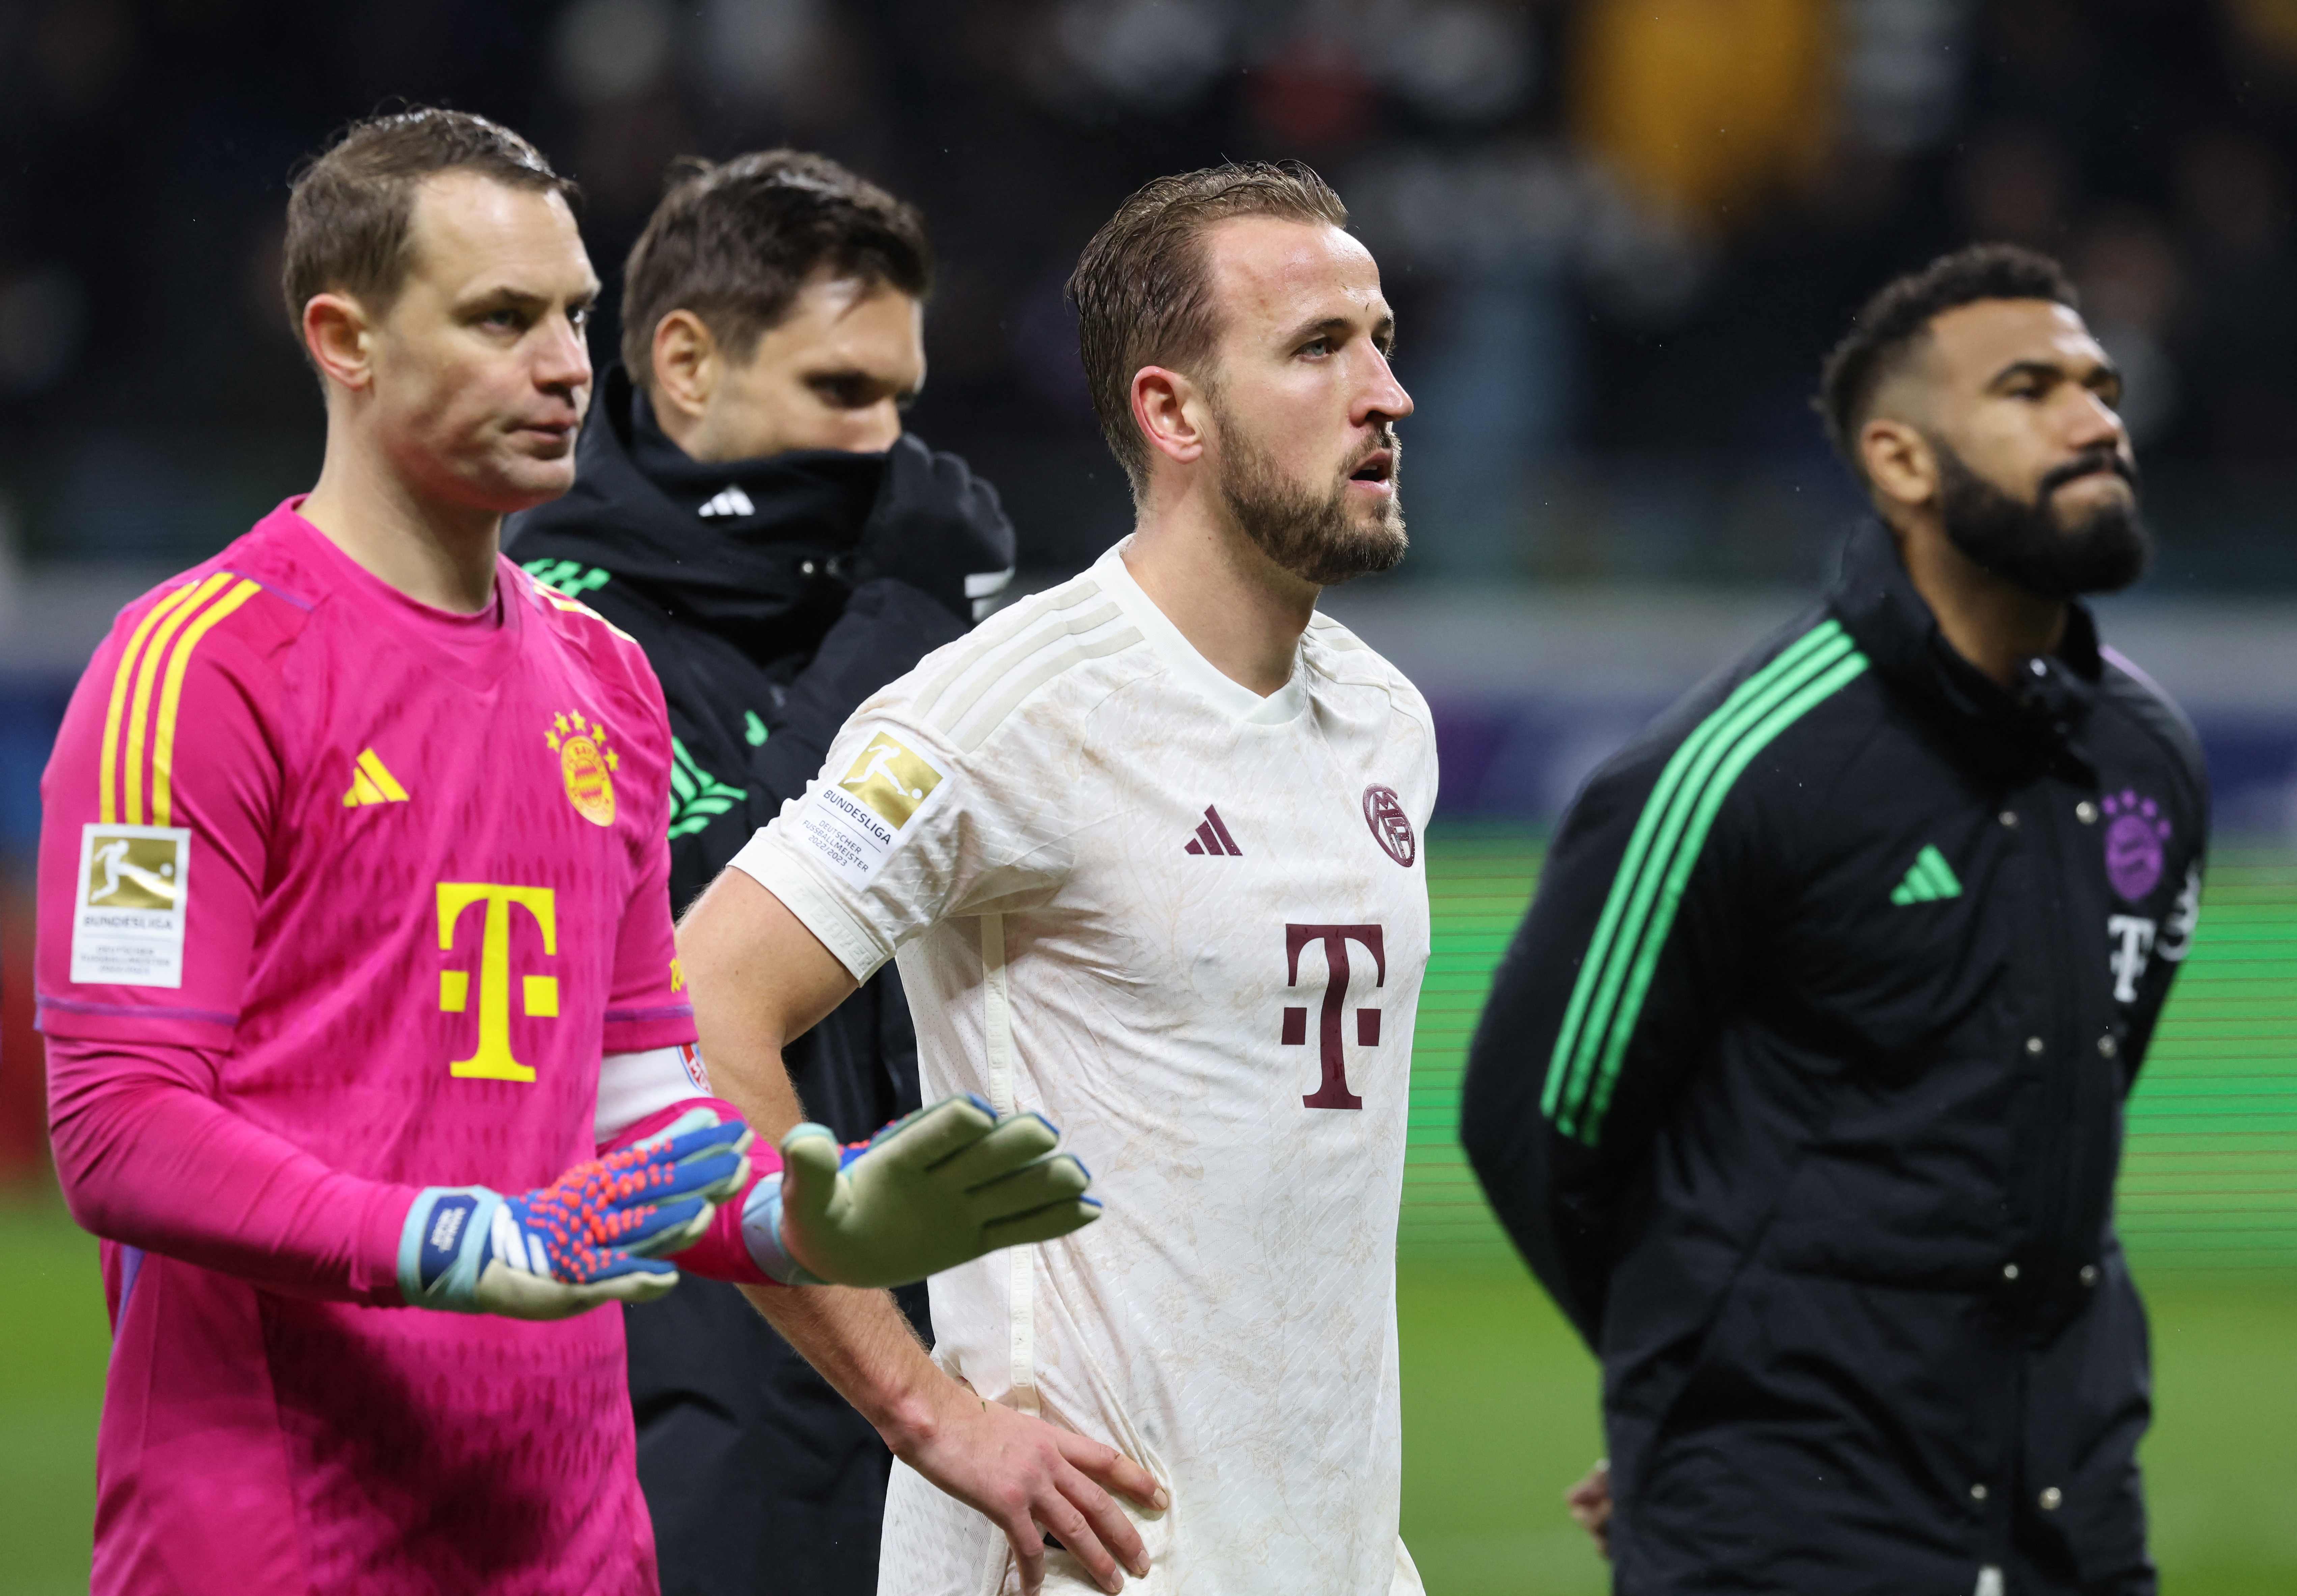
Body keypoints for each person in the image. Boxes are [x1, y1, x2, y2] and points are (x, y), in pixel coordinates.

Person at [34, 109, 1095, 1596]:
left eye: (576, 316)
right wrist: (455, 1236)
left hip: (574, 1540)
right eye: (500, 318)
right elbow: (120, 1126)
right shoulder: (199, 670)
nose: (563, 367)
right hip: (277, 1539)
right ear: (344, 337)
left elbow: (642, 1097)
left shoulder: (605, 682)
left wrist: (800, 1215)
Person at [674, 161, 1435, 1596]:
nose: (1387, 392)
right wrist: (928, 1414)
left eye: (1382, 338)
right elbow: (696, 1012)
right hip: (1088, 1561)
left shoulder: (1386, 718)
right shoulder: (1005, 712)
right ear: (1174, 411)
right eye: (1321, 348)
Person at [1462, 243, 2207, 1596]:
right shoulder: (1738, 765)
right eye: (2031, 389)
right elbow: (1535, 1120)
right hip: (1792, 1527)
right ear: (1904, 463)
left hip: (2072, 1518)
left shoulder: (2148, 760)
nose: (2099, 418)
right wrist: (1691, 1384)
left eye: (2100, 385)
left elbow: (2068, 1104)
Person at [505, 149, 1016, 1594]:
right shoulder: (543, 620)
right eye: (842, 394)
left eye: (903, 399)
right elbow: (700, 932)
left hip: (925, 1359)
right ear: (685, 364)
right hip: (673, 1377)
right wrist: (909, 620)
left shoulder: (873, 610)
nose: (887, 446)